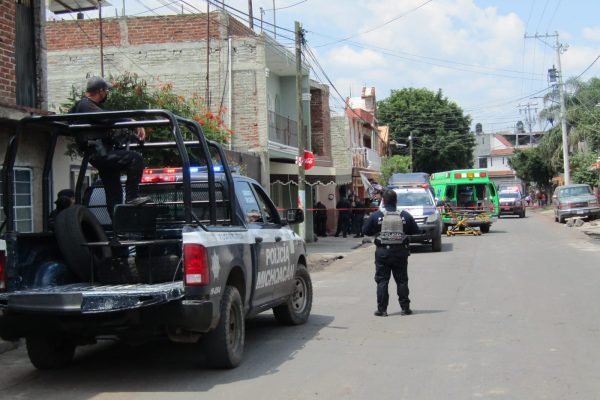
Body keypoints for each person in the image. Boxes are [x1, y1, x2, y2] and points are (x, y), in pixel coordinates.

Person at [70, 76, 148, 218]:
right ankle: (132, 197)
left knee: (114, 194)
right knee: (135, 159)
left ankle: (118, 230)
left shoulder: (87, 107)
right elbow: (107, 118)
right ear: (100, 91)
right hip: (99, 153)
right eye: (106, 91)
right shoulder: (85, 105)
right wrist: (130, 121)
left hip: (101, 153)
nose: (107, 94)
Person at [363, 189, 419, 317]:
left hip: (383, 253)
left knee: (382, 281)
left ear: (383, 201)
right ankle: (405, 309)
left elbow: (366, 231)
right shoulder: (405, 215)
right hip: (400, 252)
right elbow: (415, 230)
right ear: (396, 201)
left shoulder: (376, 215)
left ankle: (382, 310)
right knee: (402, 281)